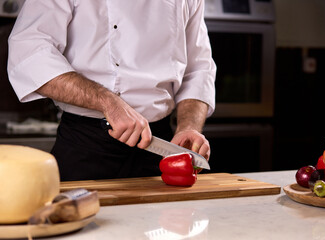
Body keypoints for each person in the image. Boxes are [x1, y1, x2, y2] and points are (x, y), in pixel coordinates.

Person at [7, 0, 216, 181]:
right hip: (87, 145)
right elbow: (28, 52)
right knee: (81, 222)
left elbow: (199, 68)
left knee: (164, 223)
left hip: (161, 148)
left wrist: (188, 128)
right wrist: (108, 102)